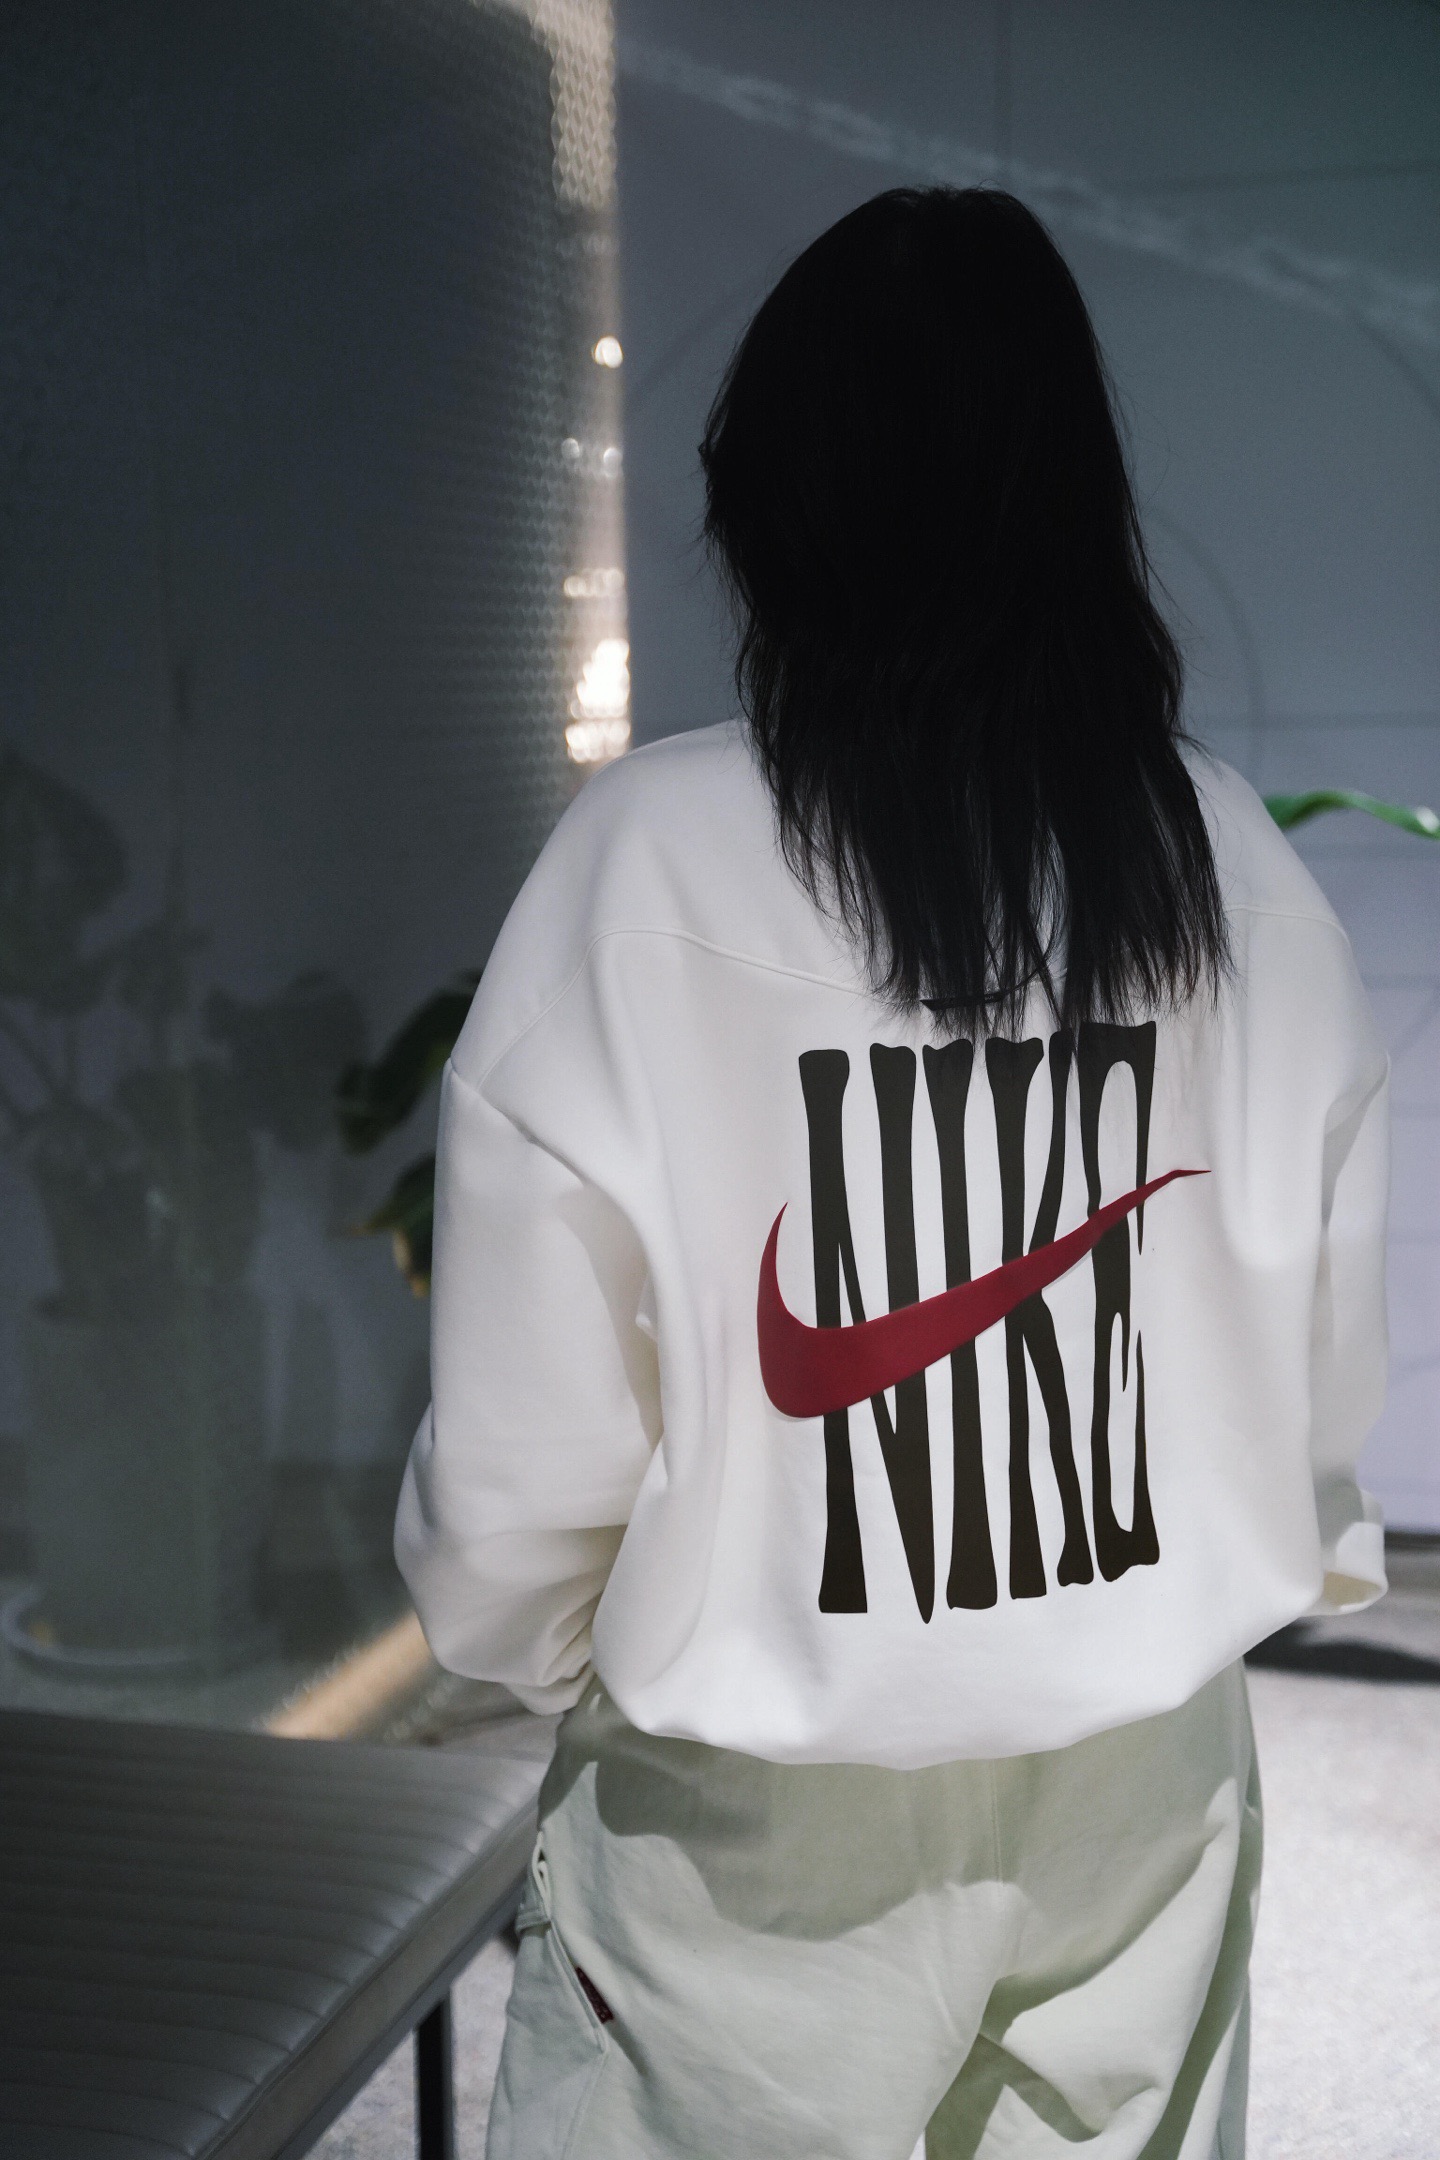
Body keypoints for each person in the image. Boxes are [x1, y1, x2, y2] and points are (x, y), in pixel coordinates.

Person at [396, 188, 1388, 2160]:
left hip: (748, 1830)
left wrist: (603, 1645)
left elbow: (522, 1460)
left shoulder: (644, 868)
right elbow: (1314, 1385)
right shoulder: (1227, 868)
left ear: (772, 501)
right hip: (1141, 1784)